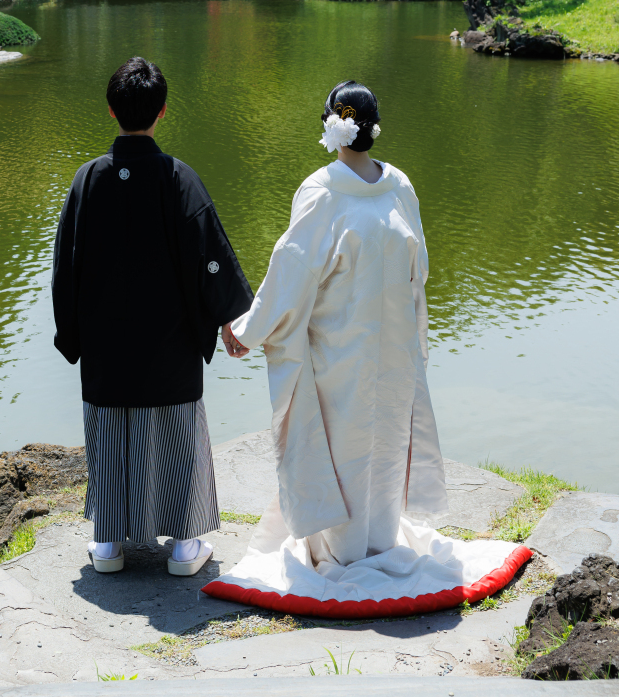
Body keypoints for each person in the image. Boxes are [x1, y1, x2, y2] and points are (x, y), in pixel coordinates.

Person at [207, 80, 531, 615]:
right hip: (393, 344)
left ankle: (342, 550)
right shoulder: (399, 185)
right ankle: (380, 541)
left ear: (330, 126)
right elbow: (418, 271)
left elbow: (291, 273)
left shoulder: (321, 190)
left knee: (345, 444)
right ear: (373, 129)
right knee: (380, 442)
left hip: (341, 349)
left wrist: (248, 329)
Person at [52, 56, 253, 576]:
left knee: (111, 436)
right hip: (170, 347)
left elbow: (64, 268)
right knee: (176, 435)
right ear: (163, 111)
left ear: (110, 110)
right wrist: (232, 319)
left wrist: (72, 334)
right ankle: (186, 546)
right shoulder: (178, 178)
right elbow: (211, 259)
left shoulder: (87, 180)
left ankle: (109, 547)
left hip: (106, 349)